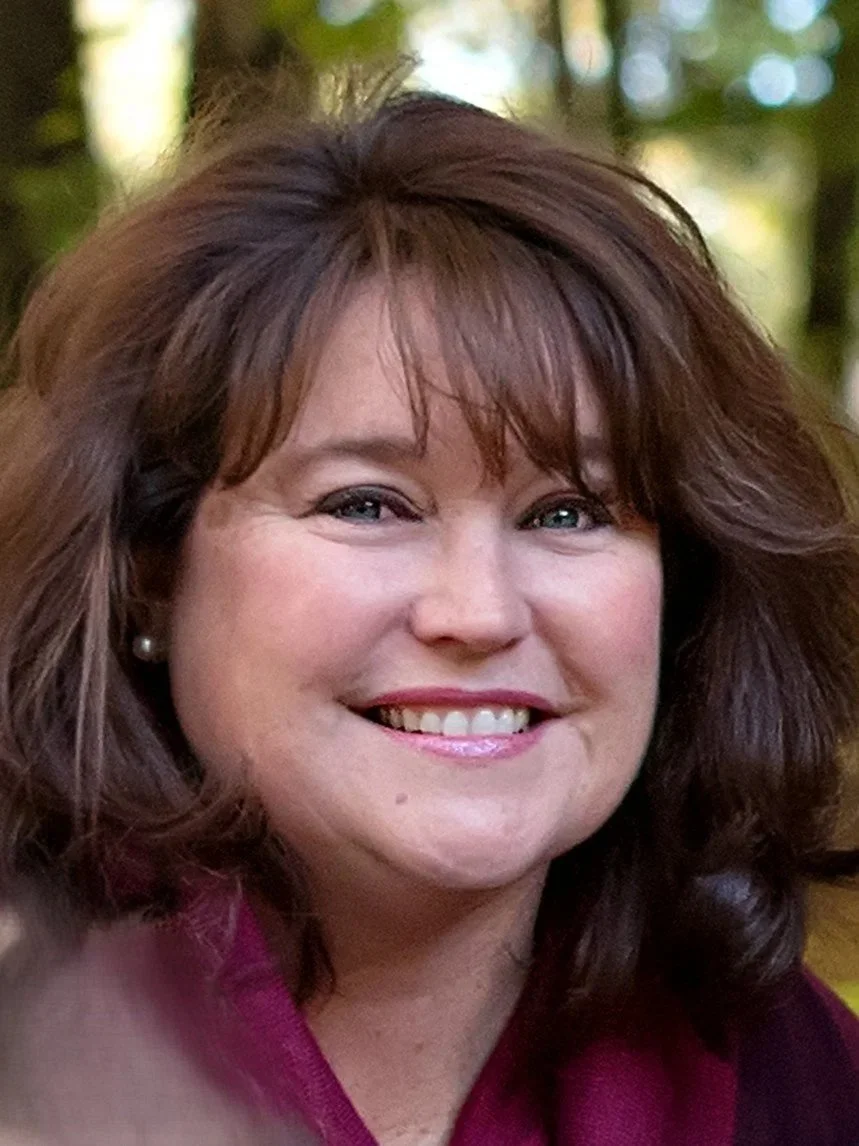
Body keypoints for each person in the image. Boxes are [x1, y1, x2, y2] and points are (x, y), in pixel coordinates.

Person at [0, 79, 857, 1146]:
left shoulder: (795, 1080)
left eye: (567, 512)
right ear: (148, 574)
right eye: (366, 503)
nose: (479, 611)